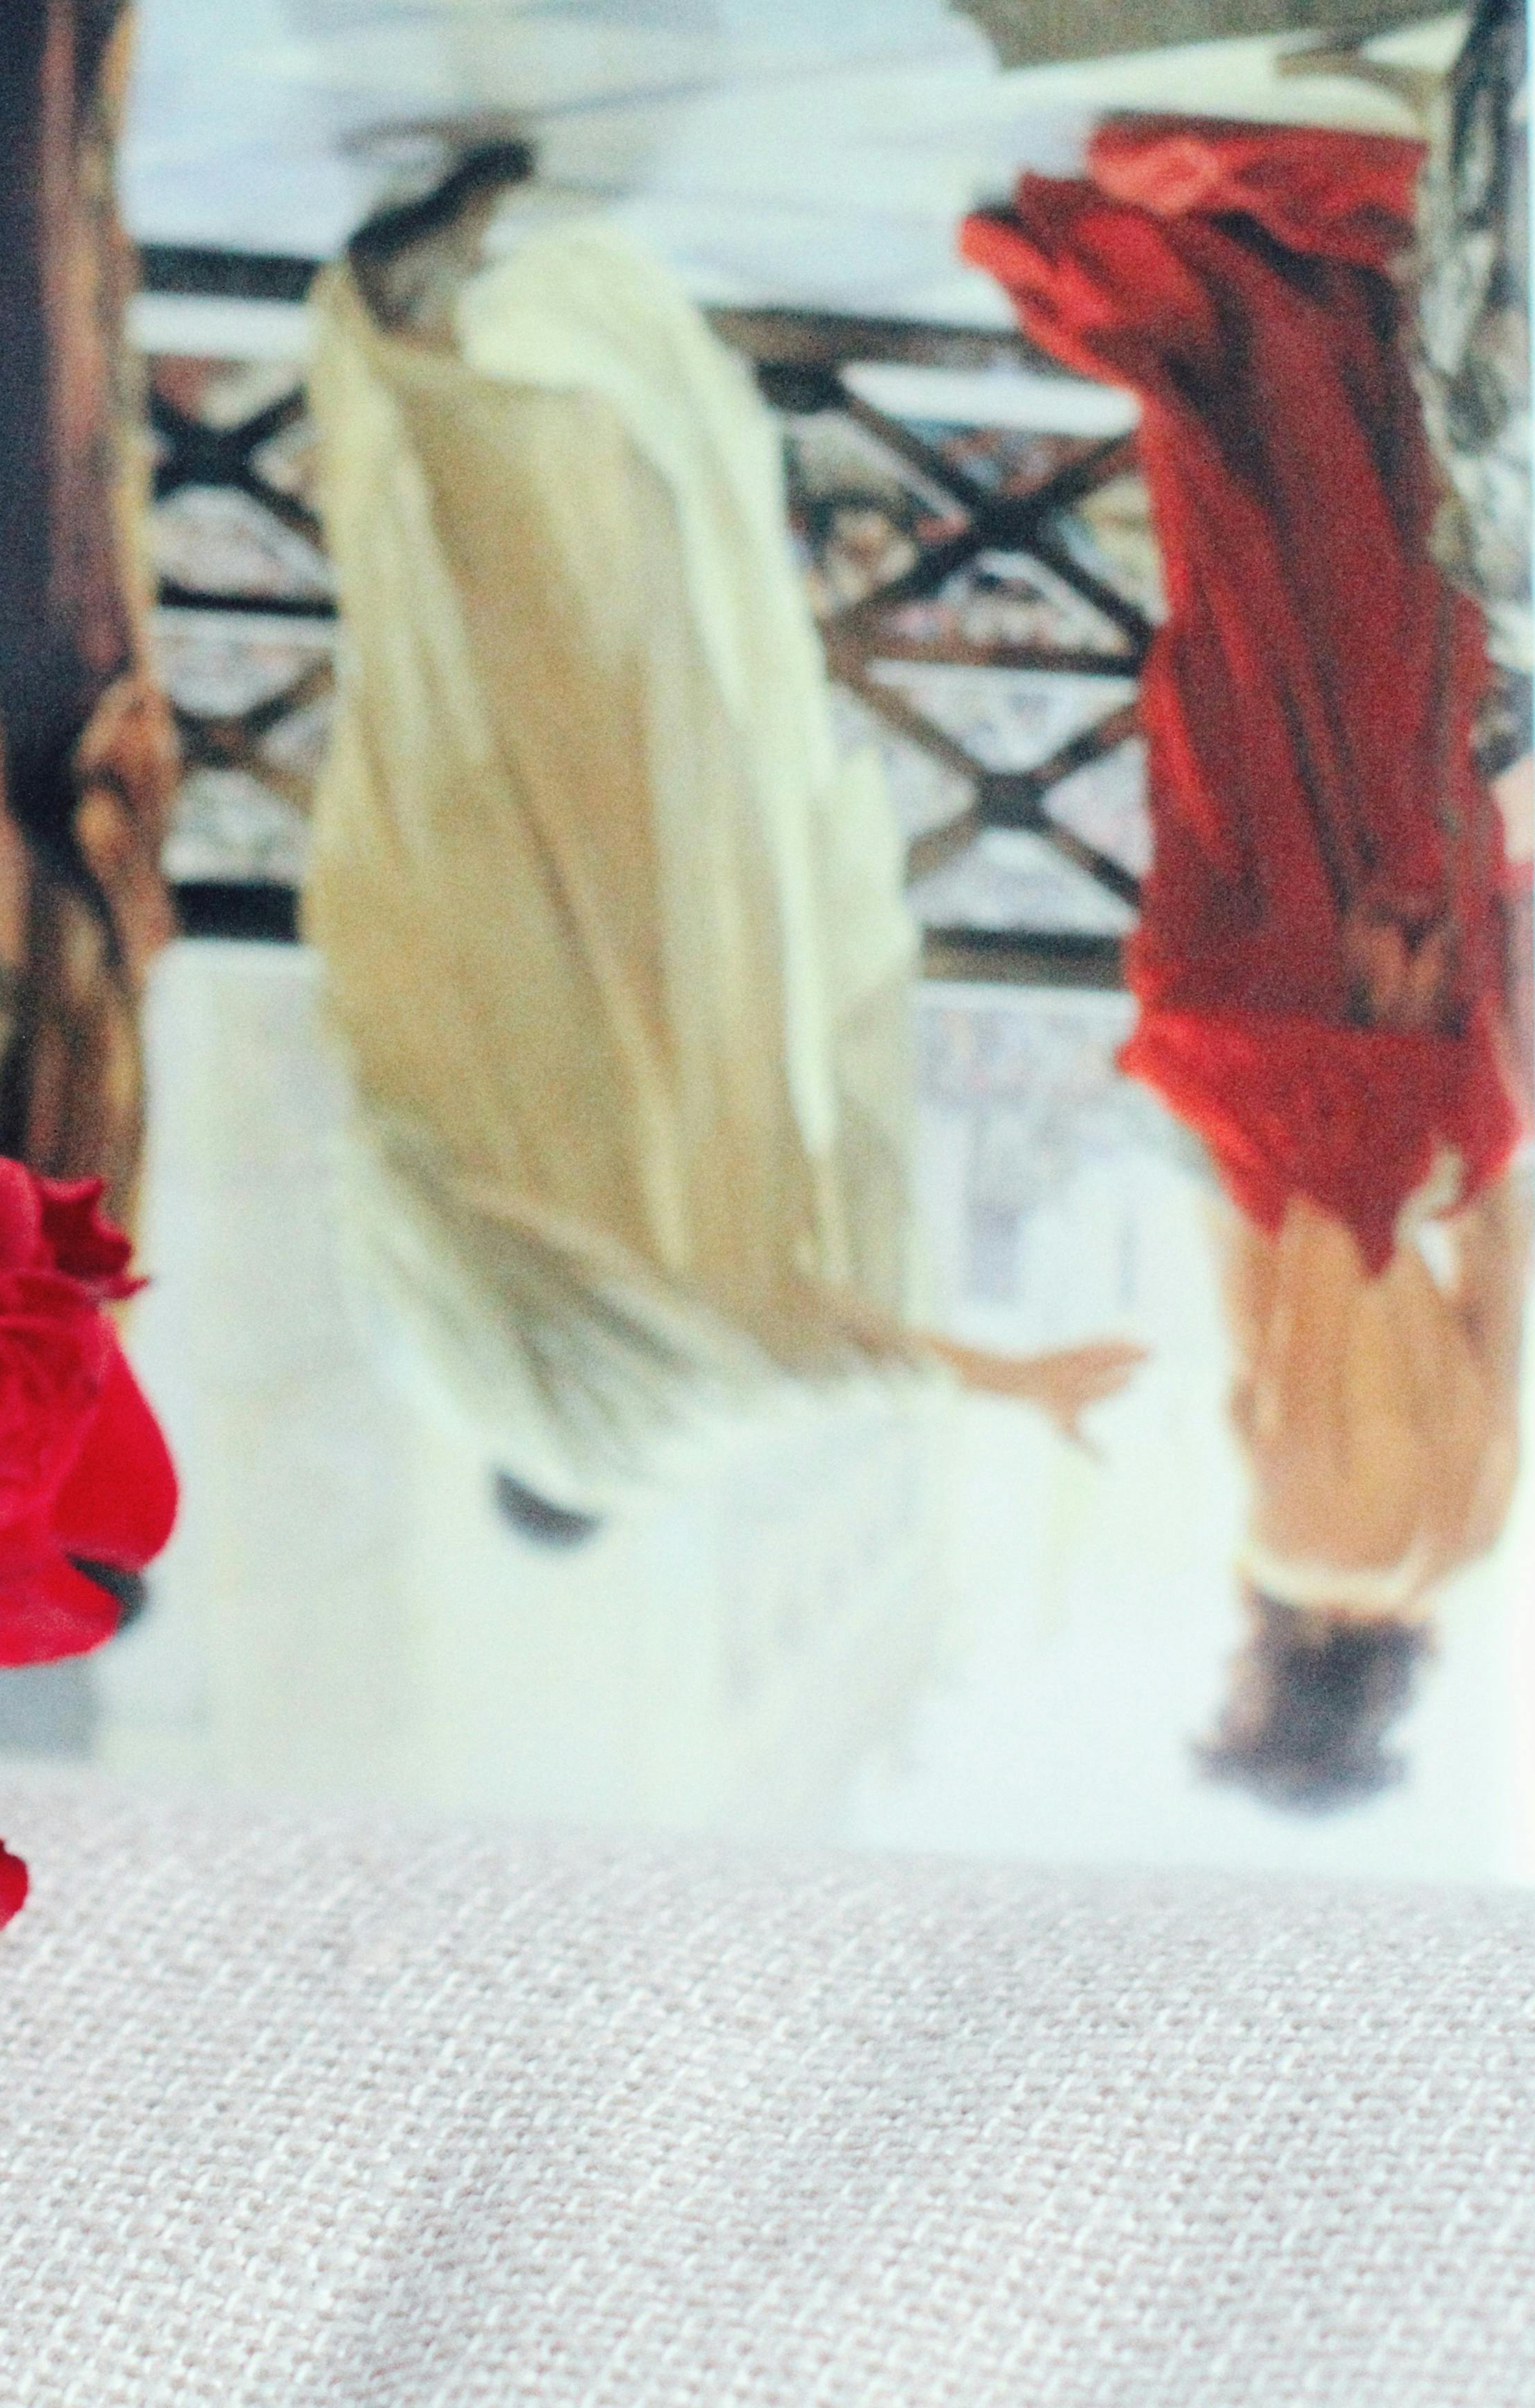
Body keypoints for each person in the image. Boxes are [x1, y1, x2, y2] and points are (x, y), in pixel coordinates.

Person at [299, 148, 1141, 1538]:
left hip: (620, 985)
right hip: (487, 972)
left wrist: (1002, 1382)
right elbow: (383, 1166)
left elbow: (797, 1368)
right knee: (465, 659)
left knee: (588, 648)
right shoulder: (447, 1358)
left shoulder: (610, 1431)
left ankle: (420, 337)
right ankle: (410, 338)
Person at [964, 118, 1528, 1807]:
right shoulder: (1301, 1541)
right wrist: (1328, 1089)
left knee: (1374, 678)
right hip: (1306, 1089)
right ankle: (1265, 317)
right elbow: (1293, 1292)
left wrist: (1449, 1082)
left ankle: (1359, 340)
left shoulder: (1469, 1541)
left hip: (1425, 1105)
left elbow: (1498, 1265)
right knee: (1248, 684)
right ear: (1279, 1696)